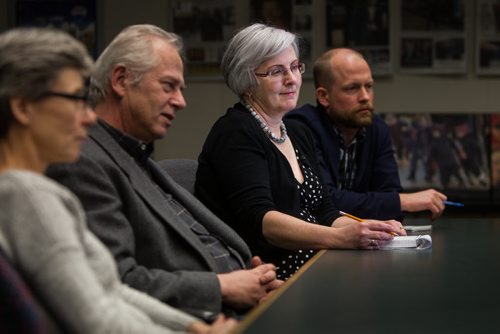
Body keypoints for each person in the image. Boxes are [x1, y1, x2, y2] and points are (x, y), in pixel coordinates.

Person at [0, 27, 236, 333]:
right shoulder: (27, 195)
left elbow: (111, 291)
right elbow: (97, 320)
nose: (87, 117)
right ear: (22, 108)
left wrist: (190, 326)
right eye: (74, 99)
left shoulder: (30, 189)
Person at [46, 24, 282, 321]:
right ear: (121, 80)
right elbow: (116, 282)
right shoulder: (83, 162)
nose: (181, 102)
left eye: (180, 89)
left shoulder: (135, 153)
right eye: (168, 86)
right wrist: (222, 286)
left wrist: (248, 275)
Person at [195, 23, 404, 281]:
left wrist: (370, 229)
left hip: (315, 265)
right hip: (271, 277)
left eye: (295, 67)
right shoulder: (235, 132)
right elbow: (263, 222)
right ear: (247, 81)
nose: (292, 79)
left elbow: (326, 212)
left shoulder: (296, 131)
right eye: (276, 71)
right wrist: (340, 237)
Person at [287, 48, 447, 221]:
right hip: (315, 241)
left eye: (369, 86)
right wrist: (402, 201)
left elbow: (389, 197)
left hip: (362, 239)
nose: (365, 97)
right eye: (352, 88)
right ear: (324, 96)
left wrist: (394, 202)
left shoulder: (377, 129)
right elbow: (322, 201)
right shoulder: (301, 128)